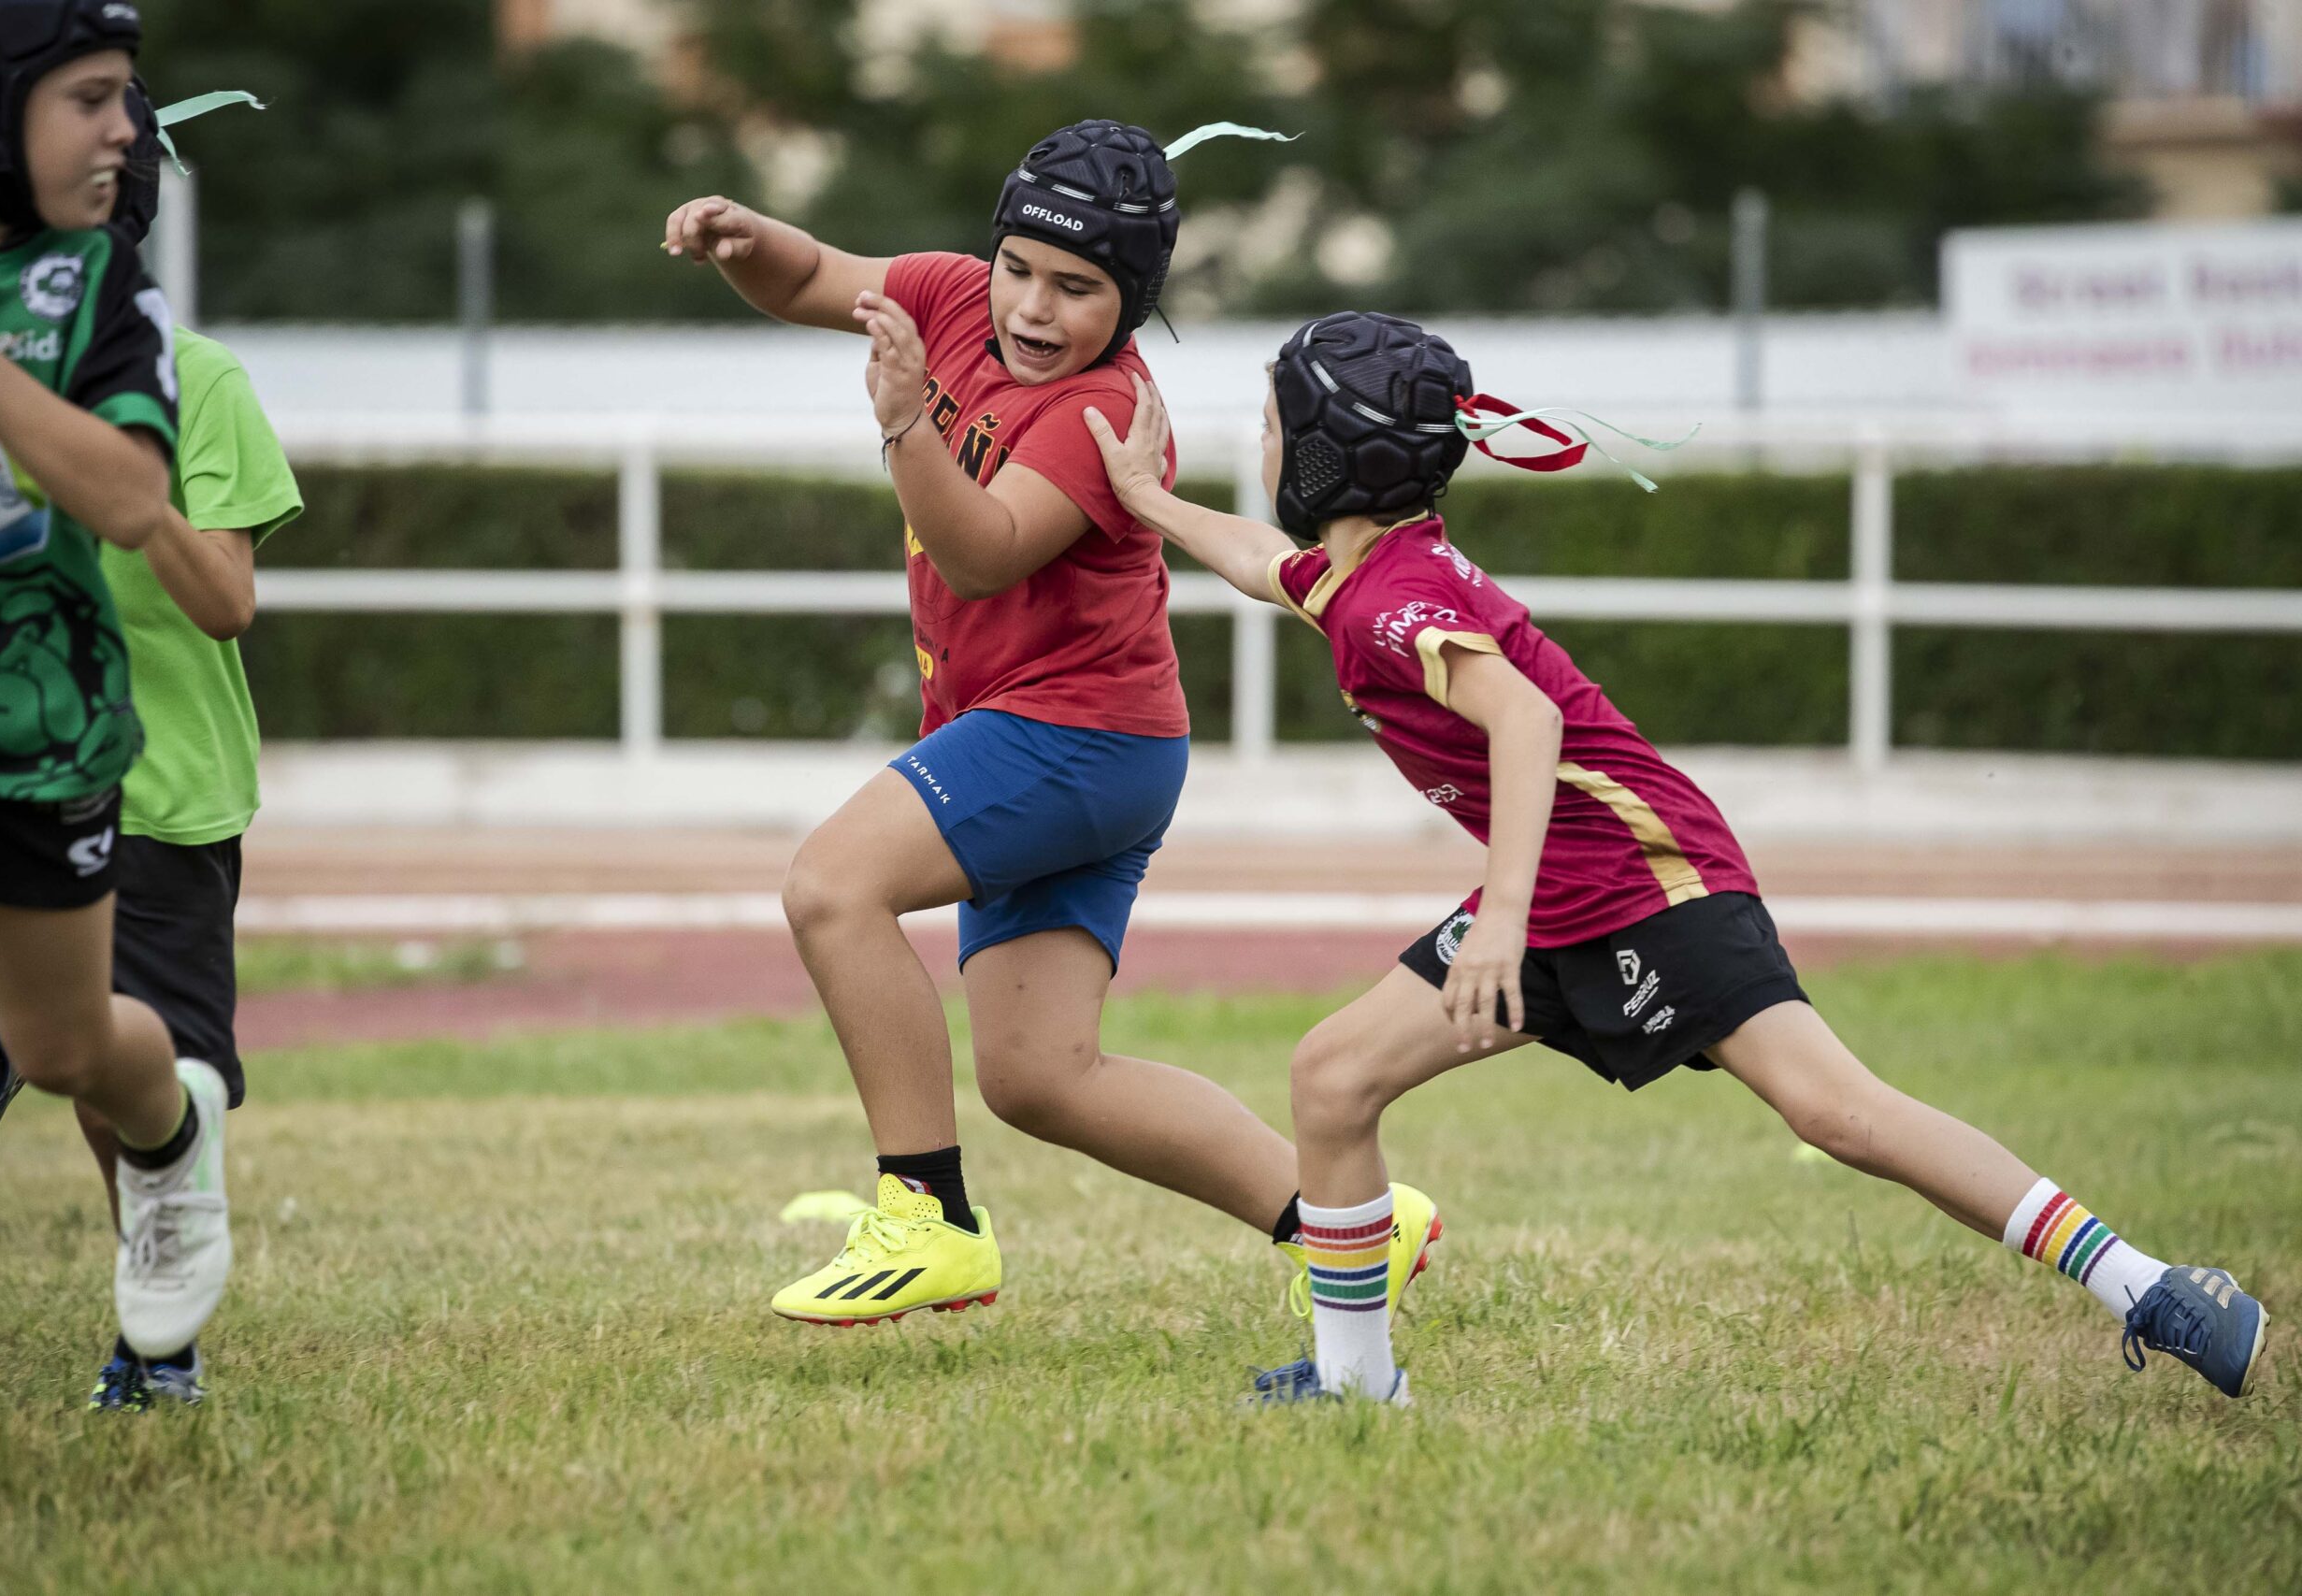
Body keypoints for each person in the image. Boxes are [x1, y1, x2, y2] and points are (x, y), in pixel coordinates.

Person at [1082, 309, 2269, 1403]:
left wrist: (1498, 921)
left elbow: (1527, 723)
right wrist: (1147, 497)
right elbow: (1257, 560)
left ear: (1330, 451)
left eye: (1275, 419)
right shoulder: (1363, 578)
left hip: (1649, 884)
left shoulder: (1394, 599)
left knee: (1836, 1114)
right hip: (1553, 892)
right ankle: (1355, 1383)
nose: (1262, 437)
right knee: (1333, 1079)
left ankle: (2154, 1289)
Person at [664, 122, 1440, 1328]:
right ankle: (1349, 1228)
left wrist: (905, 421)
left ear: (1131, 302)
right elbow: (812, 277)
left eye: (1077, 289)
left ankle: (926, 1216)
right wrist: (745, 240)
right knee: (1041, 1078)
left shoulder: (1107, 410)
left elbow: (980, 555)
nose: (1033, 306)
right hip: (1075, 741)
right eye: (1019, 268)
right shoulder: (948, 296)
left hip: (1078, 737)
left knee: (832, 886)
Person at [0, 78, 294, 1409]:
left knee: (102, 1082)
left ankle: (154, 1341)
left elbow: (227, 601)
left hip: (158, 788)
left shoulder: (201, 381)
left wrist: (116, 491)